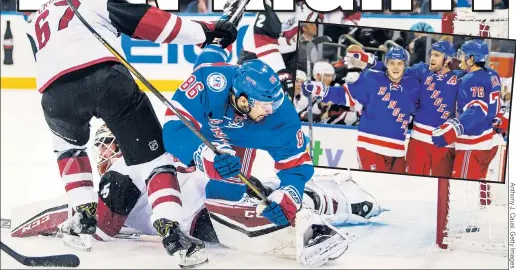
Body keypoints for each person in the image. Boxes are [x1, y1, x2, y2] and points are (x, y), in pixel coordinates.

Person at [25, 0, 237, 253]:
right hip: (107, 81)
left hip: (53, 94)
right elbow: (151, 22)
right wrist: (206, 32)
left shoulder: (37, 17)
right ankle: (172, 231)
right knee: (156, 161)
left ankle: (83, 217)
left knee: (67, 148)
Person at [11, 122, 385, 268]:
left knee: (255, 225)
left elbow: (105, 229)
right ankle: (346, 201)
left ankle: (308, 229)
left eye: (105, 144)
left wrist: (57, 221)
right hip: (208, 190)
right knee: (274, 191)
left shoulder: (120, 173)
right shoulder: (149, 156)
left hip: (200, 211)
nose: (101, 153)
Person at [162, 44, 373, 266]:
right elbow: (173, 129)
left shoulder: (281, 118)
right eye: (264, 105)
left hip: (240, 144)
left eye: (275, 103)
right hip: (202, 141)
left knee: (223, 199)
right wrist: (202, 155)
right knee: (175, 179)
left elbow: (296, 166)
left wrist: (289, 195)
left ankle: (326, 199)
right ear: (242, 99)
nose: (270, 111)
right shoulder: (211, 80)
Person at [303, 46, 420, 173]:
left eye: (400, 63)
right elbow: (345, 94)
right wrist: (321, 90)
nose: (396, 67)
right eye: (392, 63)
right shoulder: (372, 79)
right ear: (386, 64)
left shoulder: (412, 86)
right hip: (370, 147)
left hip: (398, 151)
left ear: (405, 66)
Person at [359, 41, 463, 177]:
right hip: (418, 141)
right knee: (411, 183)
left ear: (448, 59)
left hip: (445, 143)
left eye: (437, 55)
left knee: (440, 187)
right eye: (431, 54)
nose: (431, 58)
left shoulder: (460, 78)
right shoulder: (422, 70)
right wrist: (372, 62)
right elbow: (395, 70)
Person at [432, 39, 502, 180]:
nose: (460, 57)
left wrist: (451, 131)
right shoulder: (492, 74)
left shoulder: (470, 80)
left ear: (472, 58)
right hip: (489, 142)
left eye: (463, 54)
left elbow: (477, 109)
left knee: (462, 189)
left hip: (473, 146)